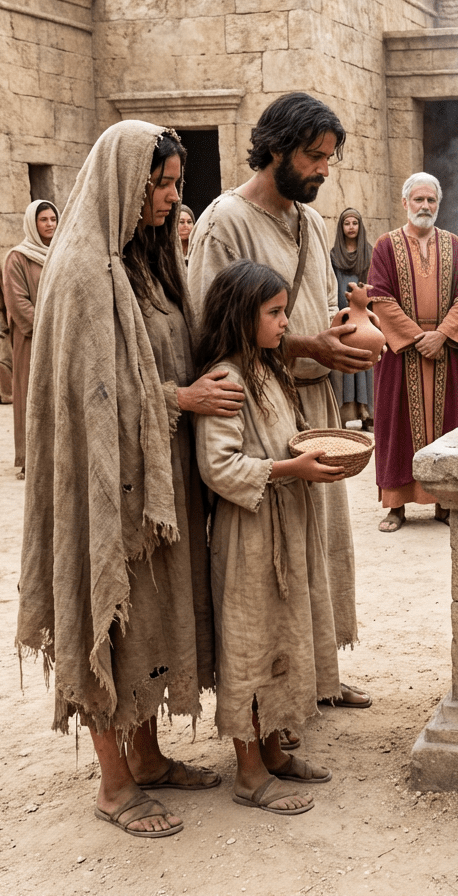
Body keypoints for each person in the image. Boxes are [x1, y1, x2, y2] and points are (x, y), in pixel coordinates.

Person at [16, 121, 245, 837]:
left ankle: (145, 757)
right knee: (108, 613)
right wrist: (181, 398)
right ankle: (114, 785)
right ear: (126, 182)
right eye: (162, 184)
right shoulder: (84, 270)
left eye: (176, 184)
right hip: (103, 483)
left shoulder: (145, 259)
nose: (174, 198)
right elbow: (94, 395)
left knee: (147, 615)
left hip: (156, 479)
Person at [187, 92, 373, 711]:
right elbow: (211, 328)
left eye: (329, 159)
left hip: (315, 407)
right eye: (314, 157)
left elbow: (321, 306)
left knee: (318, 546)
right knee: (277, 561)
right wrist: (303, 345)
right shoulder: (224, 222)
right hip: (260, 414)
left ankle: (319, 677)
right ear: (275, 149)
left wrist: (343, 332)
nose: (324, 170)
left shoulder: (312, 223)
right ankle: (275, 697)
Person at [195, 259, 342, 815]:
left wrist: (305, 452)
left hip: (284, 523)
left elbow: (284, 437)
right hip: (250, 536)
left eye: (285, 312)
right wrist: (289, 470)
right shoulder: (227, 379)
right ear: (242, 315)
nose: (285, 323)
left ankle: (275, 751)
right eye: (275, 313)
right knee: (250, 645)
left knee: (282, 636)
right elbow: (219, 466)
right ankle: (249, 773)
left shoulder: (266, 368)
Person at [367, 172, 458, 532]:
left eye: (431, 200)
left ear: (438, 204)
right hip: (401, 355)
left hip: (444, 352)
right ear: (405, 203)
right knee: (395, 427)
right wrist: (417, 337)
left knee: (448, 428)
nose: (425, 206)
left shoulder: (454, 245)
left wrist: (440, 335)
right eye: (418, 199)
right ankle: (396, 505)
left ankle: (445, 502)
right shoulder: (385, 246)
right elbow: (380, 297)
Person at [3, 200, 58, 478]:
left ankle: (57, 459)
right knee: (30, 395)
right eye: (43, 220)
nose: (49, 224)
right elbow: (18, 302)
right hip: (32, 339)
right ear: (32, 224)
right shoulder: (17, 258)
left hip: (60, 337)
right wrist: (49, 325)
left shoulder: (61, 252)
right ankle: (30, 461)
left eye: (53, 219)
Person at [329, 207, 374, 431]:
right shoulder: (333, 255)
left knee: (365, 364)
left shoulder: (369, 253)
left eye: (354, 223)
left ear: (360, 226)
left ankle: (367, 413)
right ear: (341, 227)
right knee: (344, 367)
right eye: (347, 223)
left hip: (363, 317)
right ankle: (345, 415)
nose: (351, 227)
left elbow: (373, 284)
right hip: (342, 317)